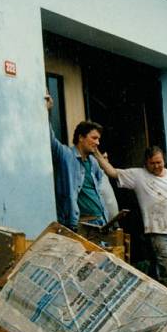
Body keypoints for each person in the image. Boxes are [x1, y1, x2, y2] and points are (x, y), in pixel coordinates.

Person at [96, 146, 167, 292]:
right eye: (152, 163)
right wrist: (96, 154)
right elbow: (112, 172)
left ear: (164, 160)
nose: (157, 166)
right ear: (146, 163)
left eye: (159, 162)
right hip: (158, 232)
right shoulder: (138, 175)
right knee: (166, 271)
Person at [46, 93, 112, 230]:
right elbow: (50, 139)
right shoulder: (66, 155)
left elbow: (98, 190)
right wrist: (47, 112)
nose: (97, 142)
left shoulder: (93, 162)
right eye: (94, 138)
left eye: (98, 139)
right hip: (80, 225)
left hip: (101, 222)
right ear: (81, 137)